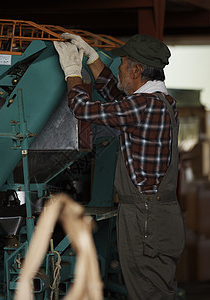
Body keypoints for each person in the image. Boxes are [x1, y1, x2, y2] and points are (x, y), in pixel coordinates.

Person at [54, 33, 185, 300]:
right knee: (154, 289)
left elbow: (83, 108)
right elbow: (118, 98)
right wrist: (92, 60)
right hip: (156, 213)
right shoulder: (162, 102)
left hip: (144, 217)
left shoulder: (143, 106)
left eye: (123, 64)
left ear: (136, 70)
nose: (119, 69)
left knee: (148, 293)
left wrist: (72, 73)